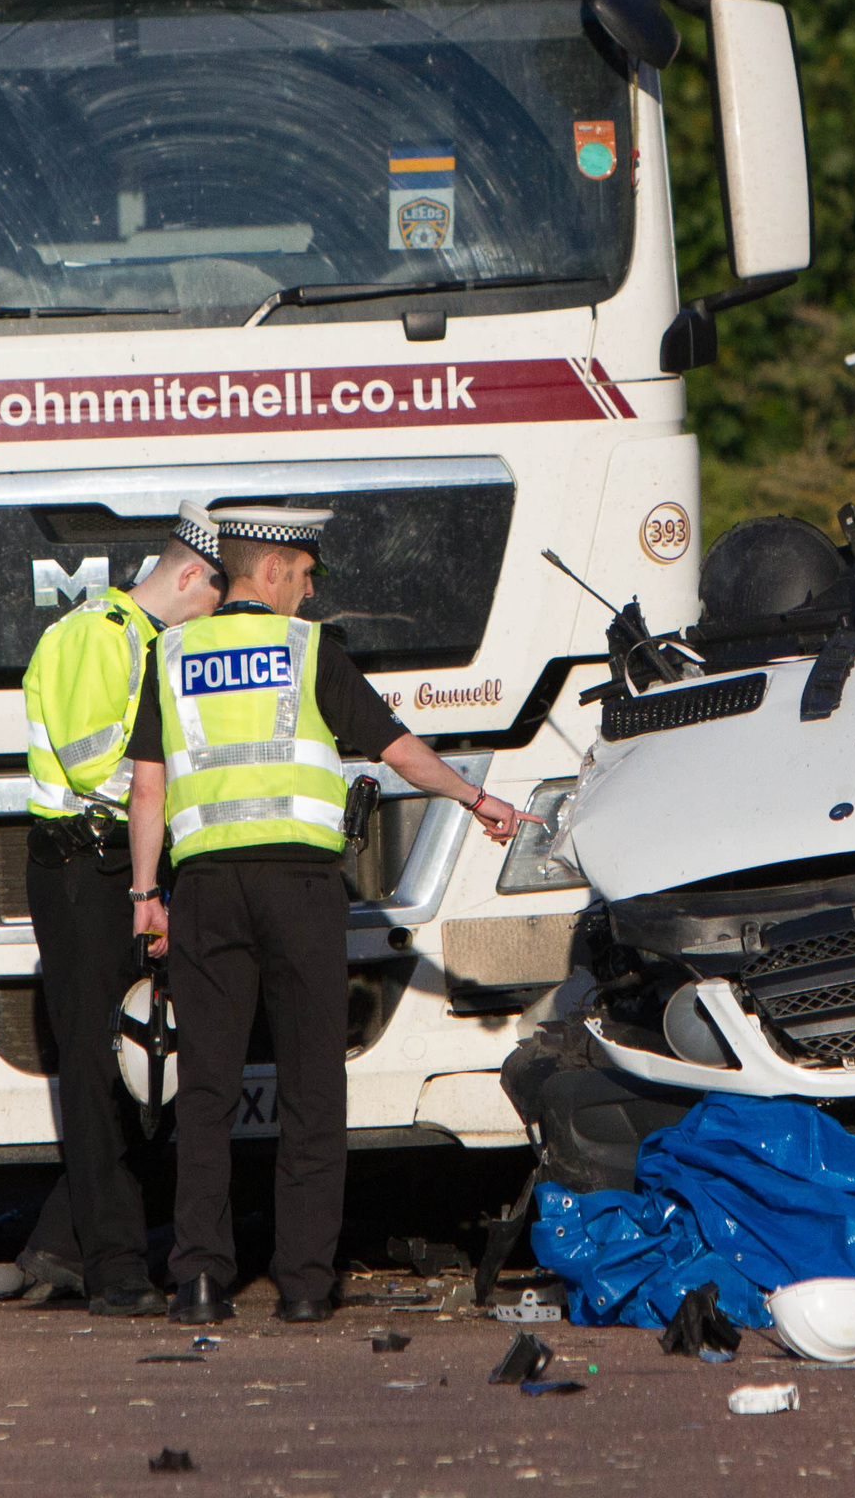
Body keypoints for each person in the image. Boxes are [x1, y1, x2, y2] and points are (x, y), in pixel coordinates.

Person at [124, 504, 527, 1325]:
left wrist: (145, 895)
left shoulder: (166, 653)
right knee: (312, 1083)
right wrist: (477, 796)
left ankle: (199, 1279)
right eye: (304, 576)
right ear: (269, 570)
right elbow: (400, 751)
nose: (308, 595)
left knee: (204, 1088)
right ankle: (305, 1285)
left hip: (204, 889)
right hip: (301, 891)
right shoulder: (309, 651)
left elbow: (148, 786)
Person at [11, 510, 227, 1318]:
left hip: (124, 867)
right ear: (187, 578)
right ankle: (115, 1271)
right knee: (104, 1068)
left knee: (146, 1066)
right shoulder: (96, 634)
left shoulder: (148, 642)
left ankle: (68, 1243)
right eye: (219, 596)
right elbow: (96, 762)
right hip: (84, 868)